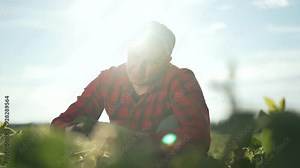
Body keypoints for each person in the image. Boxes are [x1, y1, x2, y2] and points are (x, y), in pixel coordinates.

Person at [51, 21, 211, 163]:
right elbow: (61, 122)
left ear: (166, 61)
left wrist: (128, 140)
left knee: (171, 124)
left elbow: (198, 137)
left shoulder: (180, 80)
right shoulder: (108, 79)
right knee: (82, 122)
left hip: (160, 160)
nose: (138, 68)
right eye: (134, 56)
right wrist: (69, 131)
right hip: (119, 159)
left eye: (151, 62)